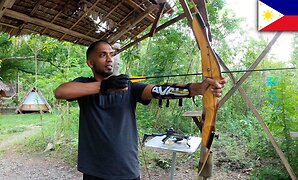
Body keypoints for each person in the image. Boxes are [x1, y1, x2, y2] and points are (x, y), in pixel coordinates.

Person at [54, 40, 227, 180]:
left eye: (111, 55)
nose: (109, 59)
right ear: (90, 62)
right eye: (102, 55)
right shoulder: (84, 84)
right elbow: (61, 92)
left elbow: (159, 90)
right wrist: (104, 86)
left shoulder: (128, 88)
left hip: (126, 170)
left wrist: (197, 89)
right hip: (94, 171)